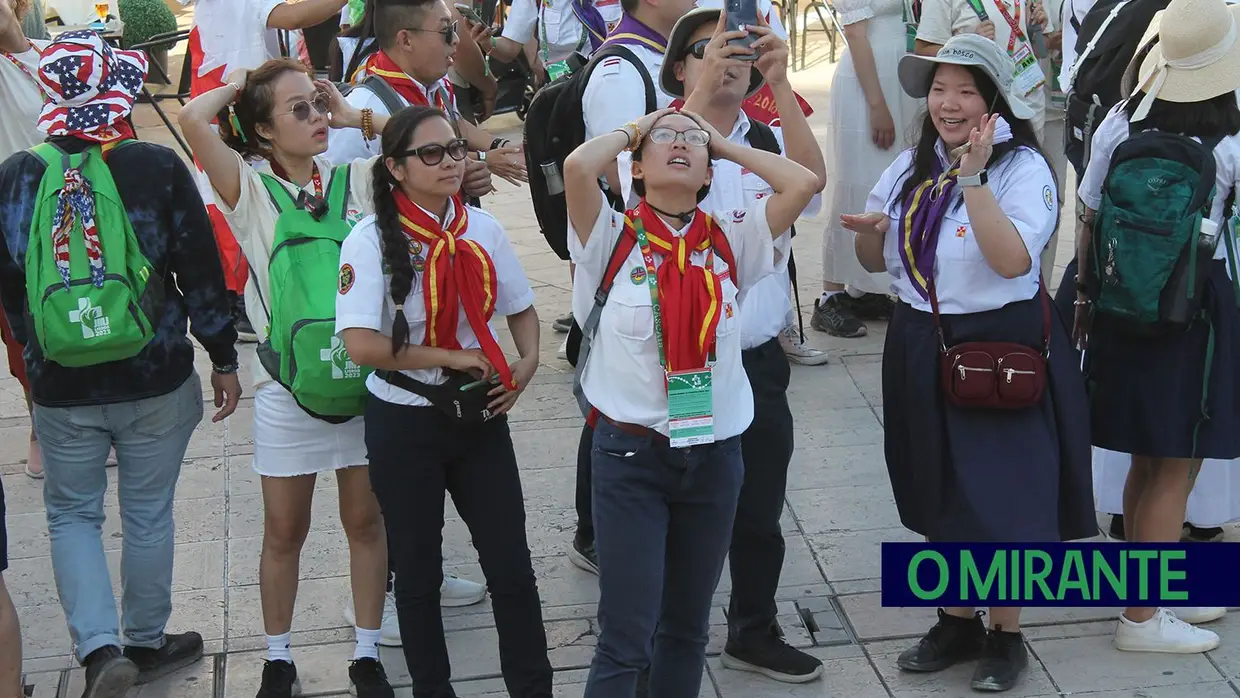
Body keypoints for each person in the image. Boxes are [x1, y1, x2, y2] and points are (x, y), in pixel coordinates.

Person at [0, 30, 243, 697]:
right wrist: (223, 356)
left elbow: (11, 288)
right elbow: (200, 270)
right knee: (147, 510)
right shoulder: (156, 168)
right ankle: (146, 638)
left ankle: (100, 650)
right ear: (118, 88)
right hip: (154, 375)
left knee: (72, 513)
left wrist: (35, 355)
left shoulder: (17, 176)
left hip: (60, 386)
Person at [564, 67, 821, 693]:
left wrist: (723, 142)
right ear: (638, 170)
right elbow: (577, 167)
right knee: (626, 635)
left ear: (710, 175)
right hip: (631, 456)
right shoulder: (611, 237)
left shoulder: (730, 239)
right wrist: (637, 128)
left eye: (692, 142)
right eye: (664, 140)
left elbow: (804, 181)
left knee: (686, 628)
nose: (679, 142)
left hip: (713, 456)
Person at [849, 34, 1093, 691]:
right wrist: (875, 238)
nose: (947, 103)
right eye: (937, 89)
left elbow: (1012, 260)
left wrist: (975, 178)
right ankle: (955, 620)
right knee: (939, 485)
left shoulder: (1022, 170)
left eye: (964, 90)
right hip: (919, 340)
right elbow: (878, 267)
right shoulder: (910, 167)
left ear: (994, 103)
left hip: (995, 348)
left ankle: (1005, 635)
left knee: (1002, 496)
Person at [180, 58, 405, 697]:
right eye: (298, 110)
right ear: (263, 132)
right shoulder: (249, 191)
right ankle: (278, 659)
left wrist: (350, 111)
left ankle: (367, 653)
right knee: (285, 529)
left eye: (317, 103)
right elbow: (196, 118)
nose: (317, 116)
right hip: (287, 390)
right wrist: (251, 76)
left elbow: (414, 140)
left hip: (363, 382)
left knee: (365, 522)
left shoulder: (359, 179)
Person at [337, 105, 552, 698]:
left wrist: (528, 362)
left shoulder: (480, 229)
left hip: (479, 414)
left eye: (456, 148)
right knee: (418, 574)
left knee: (511, 566)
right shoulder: (369, 239)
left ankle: (534, 688)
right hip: (405, 422)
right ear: (396, 168)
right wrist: (448, 357)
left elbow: (522, 308)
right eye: (431, 153)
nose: (451, 162)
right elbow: (362, 345)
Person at [664, 8, 828, 683]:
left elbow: (811, 187)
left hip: (757, 362)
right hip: (689, 362)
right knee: (684, 500)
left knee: (759, 506)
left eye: (739, 46)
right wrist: (701, 106)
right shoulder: (659, 138)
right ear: (679, 68)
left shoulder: (764, 136)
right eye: (708, 48)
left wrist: (779, 81)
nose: (728, 57)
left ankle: (752, 628)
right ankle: (668, 632)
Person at [1073, 0, 1240, 653]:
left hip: (1120, 307)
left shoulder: (1120, 121)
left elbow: (1086, 217)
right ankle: (1142, 620)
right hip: (1196, 310)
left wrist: (1085, 299)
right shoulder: (1228, 141)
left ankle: (1150, 588)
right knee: (1177, 463)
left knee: (1147, 454)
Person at [564, 0, 695, 579]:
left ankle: (676, 509)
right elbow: (613, 175)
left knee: (675, 392)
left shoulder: (656, 61)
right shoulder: (623, 67)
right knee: (616, 403)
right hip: (633, 260)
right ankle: (596, 530)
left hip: (684, 260)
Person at [188, 0, 352, 343]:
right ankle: (242, 303)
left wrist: (353, 118)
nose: (321, 114)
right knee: (249, 220)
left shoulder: (344, 174)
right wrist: (235, 88)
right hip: (250, 120)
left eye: (318, 103)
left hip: (268, 119)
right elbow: (293, 16)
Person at [915, 0, 1062, 284]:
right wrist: (969, 47)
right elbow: (924, 51)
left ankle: (1034, 287)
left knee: (1028, 204)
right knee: (971, 204)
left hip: (1025, 105)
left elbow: (1043, 46)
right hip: (974, 118)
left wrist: (1042, 31)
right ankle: (959, 285)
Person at [325, 0, 527, 188]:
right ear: (405, 40)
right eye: (446, 31)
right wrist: (480, 160)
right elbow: (339, 190)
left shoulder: (437, 82)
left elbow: (454, 123)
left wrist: (500, 146)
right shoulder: (365, 107)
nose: (456, 40)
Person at [815, 0, 917, 339]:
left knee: (890, 184)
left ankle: (865, 290)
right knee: (854, 185)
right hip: (867, 81)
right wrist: (876, 105)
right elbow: (856, 34)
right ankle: (831, 294)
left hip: (901, 75)